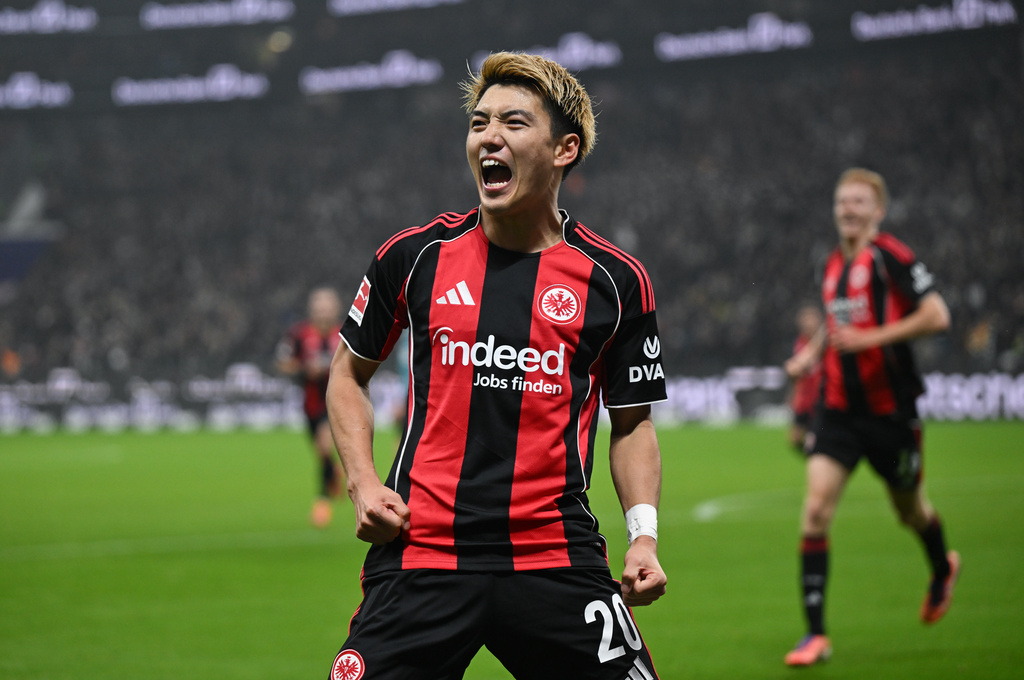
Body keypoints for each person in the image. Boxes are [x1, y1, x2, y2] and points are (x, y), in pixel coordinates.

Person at [325, 52, 668, 680]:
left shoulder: (616, 282)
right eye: (479, 122)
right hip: (422, 555)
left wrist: (642, 535)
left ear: (564, 148)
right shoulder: (414, 257)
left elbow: (633, 423)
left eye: (513, 122)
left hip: (555, 558)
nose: (489, 136)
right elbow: (347, 375)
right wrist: (363, 484)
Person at [782, 168, 959, 666]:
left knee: (911, 512)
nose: (849, 209)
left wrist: (871, 339)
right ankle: (815, 635)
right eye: (843, 201)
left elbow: (938, 315)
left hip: (890, 414)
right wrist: (811, 357)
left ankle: (942, 566)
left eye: (860, 202)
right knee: (815, 511)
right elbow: (836, 323)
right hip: (838, 411)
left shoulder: (892, 258)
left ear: (878, 211)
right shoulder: (832, 264)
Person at [277, 287, 345, 528]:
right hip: (311, 405)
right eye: (319, 307)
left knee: (325, 444)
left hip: (338, 401)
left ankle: (322, 502)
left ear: (336, 308)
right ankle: (334, 472)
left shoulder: (346, 332)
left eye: (328, 307)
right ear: (312, 309)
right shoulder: (298, 334)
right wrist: (307, 369)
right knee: (321, 451)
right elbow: (283, 363)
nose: (324, 311)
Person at [787, 303, 823, 453]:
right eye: (805, 319)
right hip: (803, 399)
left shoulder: (825, 342)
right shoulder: (800, 342)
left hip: (820, 398)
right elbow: (795, 373)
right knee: (795, 439)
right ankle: (814, 456)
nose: (808, 322)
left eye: (811, 318)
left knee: (815, 438)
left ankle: (818, 458)